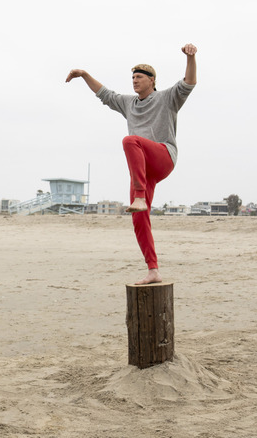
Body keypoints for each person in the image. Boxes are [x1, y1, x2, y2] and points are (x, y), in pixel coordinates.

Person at [66, 44, 197, 285]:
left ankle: (138, 197)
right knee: (139, 218)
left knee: (130, 140)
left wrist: (191, 57)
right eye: (133, 78)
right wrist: (84, 75)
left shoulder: (167, 98)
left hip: (163, 156)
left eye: (139, 77)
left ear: (152, 80)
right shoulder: (129, 104)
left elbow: (189, 82)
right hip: (143, 171)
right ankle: (153, 269)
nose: (134, 81)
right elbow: (105, 94)